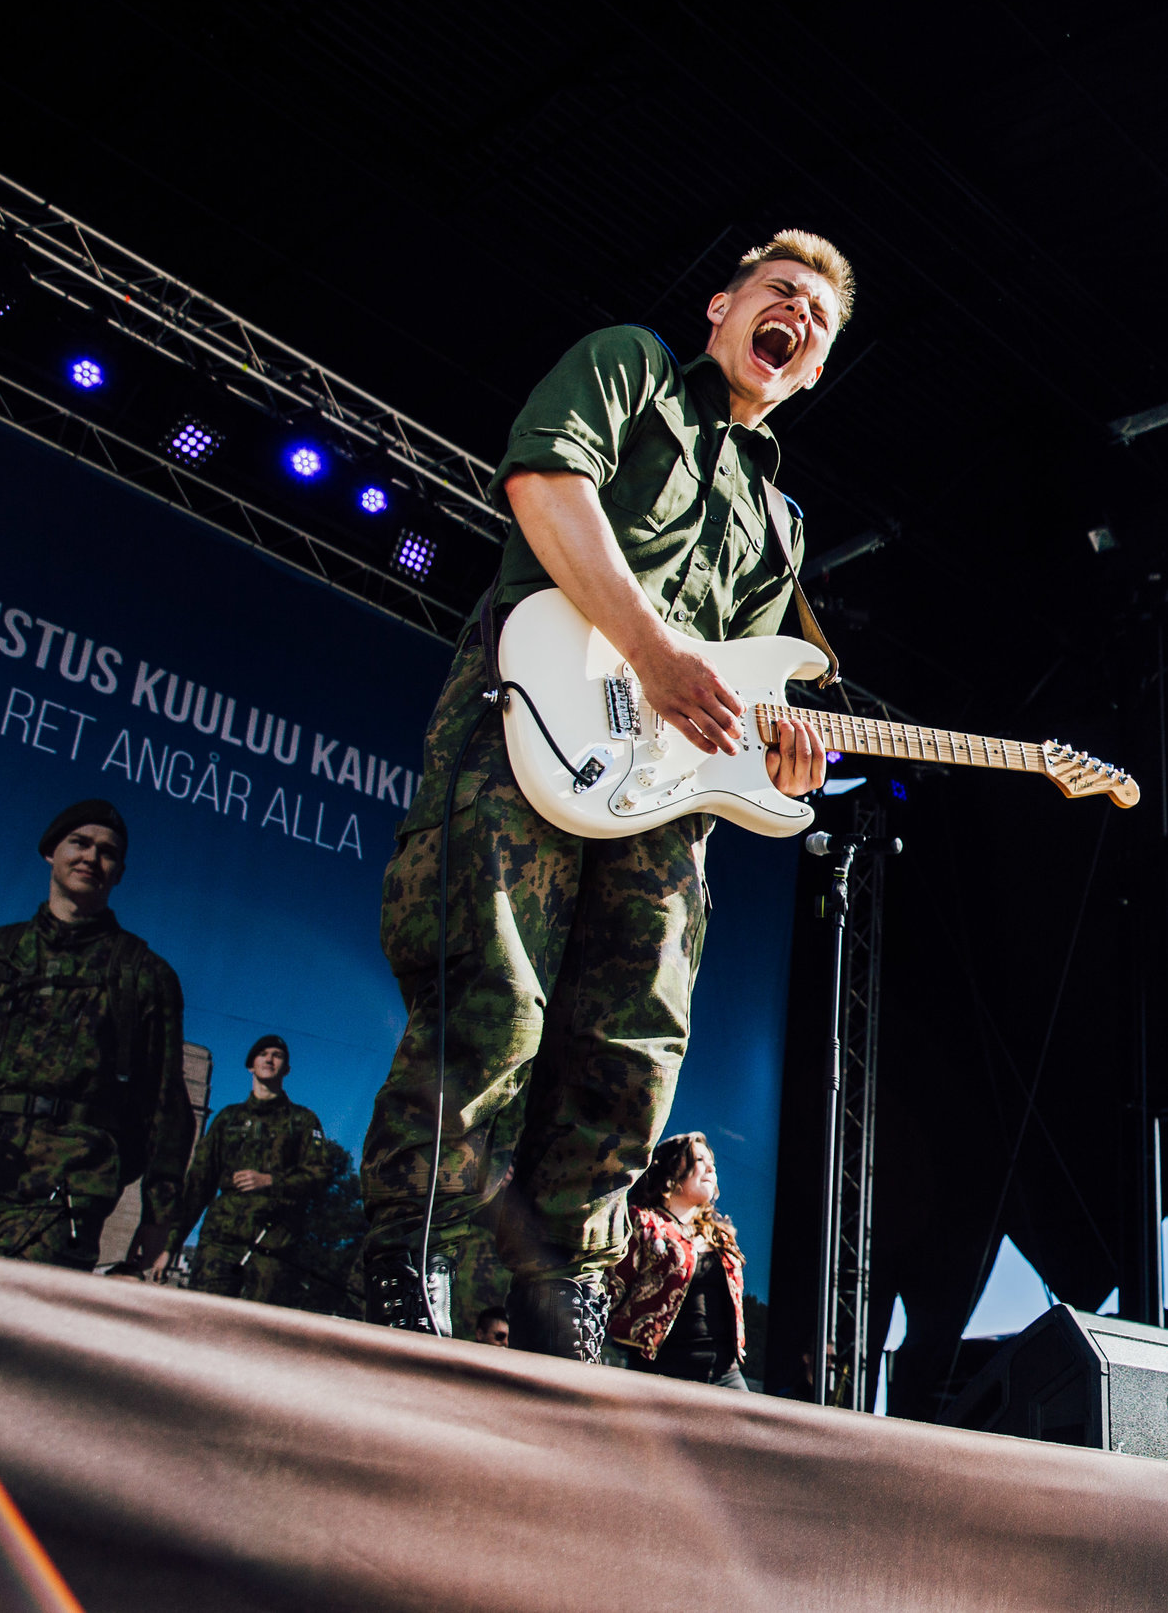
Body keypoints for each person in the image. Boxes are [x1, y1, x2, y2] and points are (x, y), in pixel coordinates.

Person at [356, 232, 849, 1356]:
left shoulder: (783, 525)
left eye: (817, 322)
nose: (796, 318)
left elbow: (744, 696)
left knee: (633, 1040)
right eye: (780, 293)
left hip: (662, 791)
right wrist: (655, 653)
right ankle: (409, 1247)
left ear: (813, 372)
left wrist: (778, 755)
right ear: (722, 304)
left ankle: (561, 1285)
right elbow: (544, 482)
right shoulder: (629, 363)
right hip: (534, 712)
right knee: (496, 996)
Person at [0, 801, 191, 1270]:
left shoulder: (143, 975)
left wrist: (160, 1218)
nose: (91, 858)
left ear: (118, 873)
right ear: (50, 852)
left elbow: (167, 1104)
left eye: (108, 852)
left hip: (64, 1190)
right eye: (79, 843)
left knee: (16, 1328)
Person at [171, 1035, 329, 1303]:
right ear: (250, 1066)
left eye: (277, 1055)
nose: (269, 1059)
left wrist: (271, 1181)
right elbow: (199, 1183)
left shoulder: (303, 1121)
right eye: (263, 1054)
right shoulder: (228, 1118)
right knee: (203, 1320)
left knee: (258, 1333)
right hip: (220, 1242)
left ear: (287, 1069)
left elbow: (319, 1174)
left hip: (273, 1245)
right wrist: (170, 1244)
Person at [606, 1132, 748, 1389]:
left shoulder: (720, 1236)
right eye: (699, 1159)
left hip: (724, 1371)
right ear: (672, 1170)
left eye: (711, 1161)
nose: (710, 1166)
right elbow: (612, 1291)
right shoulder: (644, 1223)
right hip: (663, 1369)